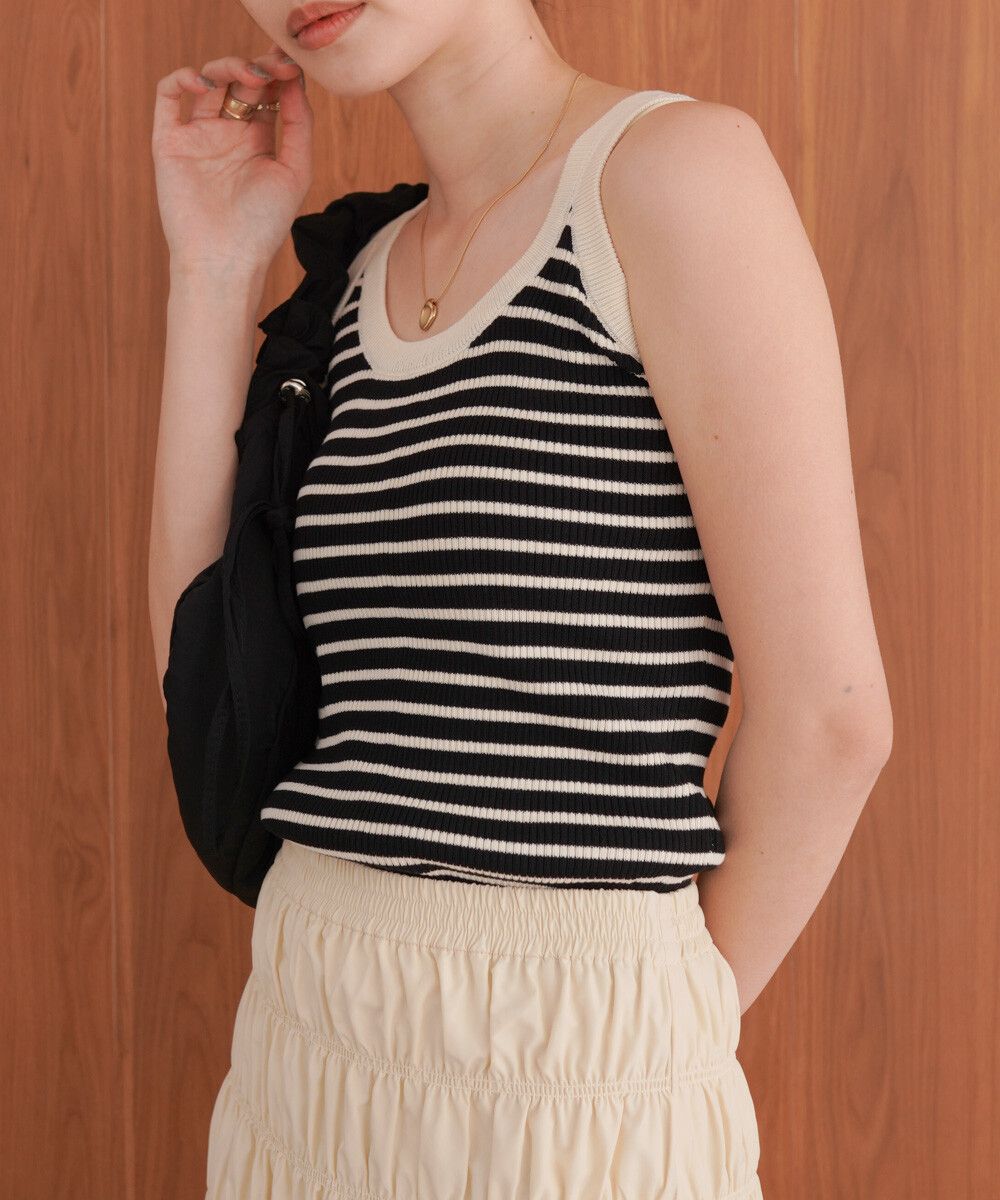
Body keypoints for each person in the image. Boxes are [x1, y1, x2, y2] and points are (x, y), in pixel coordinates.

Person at [148, 1, 894, 1196]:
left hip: (570, 1051)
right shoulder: (359, 272)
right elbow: (209, 676)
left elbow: (831, 719)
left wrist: (643, 1036)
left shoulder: (667, 175)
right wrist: (214, 266)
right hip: (303, 1032)